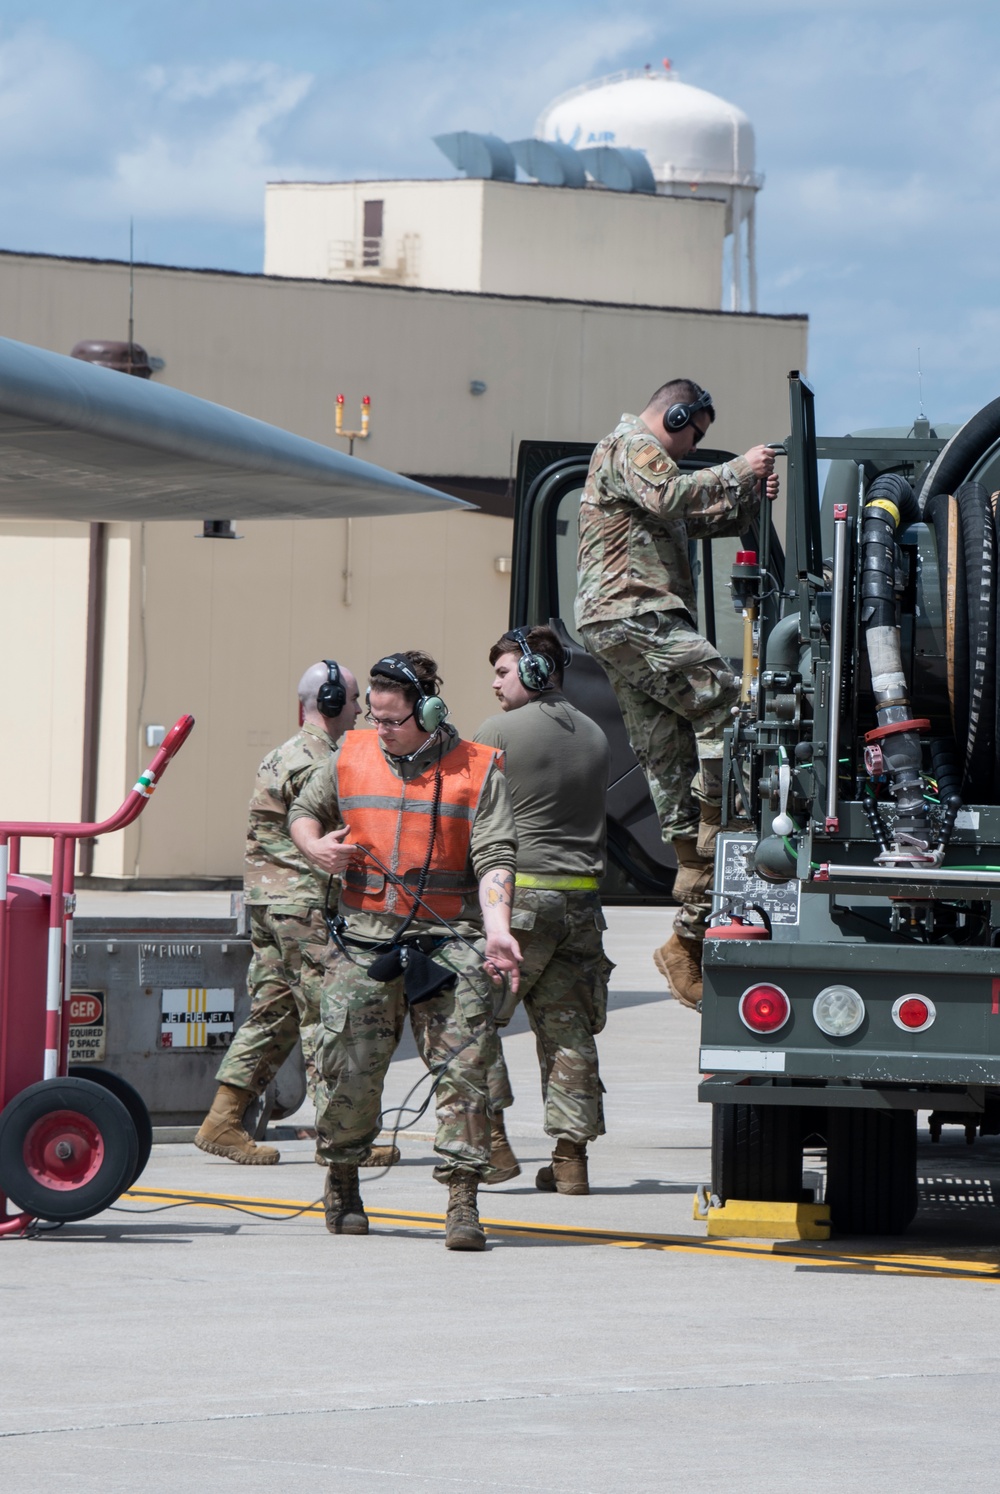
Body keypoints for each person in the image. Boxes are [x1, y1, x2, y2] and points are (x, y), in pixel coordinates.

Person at [288, 650, 521, 1252]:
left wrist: (498, 927)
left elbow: (495, 856)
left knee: (467, 1070)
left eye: (394, 720)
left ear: (430, 710)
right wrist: (315, 848)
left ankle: (463, 1200)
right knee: (347, 1068)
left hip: (449, 940)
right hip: (362, 938)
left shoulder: (478, 767)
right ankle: (342, 1180)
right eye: (376, 717)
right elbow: (304, 814)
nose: (382, 730)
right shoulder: (351, 754)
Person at [575, 378, 778, 1009]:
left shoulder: (648, 468)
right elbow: (674, 493)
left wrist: (746, 494)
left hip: (630, 619)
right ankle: (719, 828)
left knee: (669, 768)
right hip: (632, 611)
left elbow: (692, 513)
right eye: (693, 434)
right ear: (677, 413)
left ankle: (684, 938)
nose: (693, 449)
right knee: (725, 702)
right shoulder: (630, 446)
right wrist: (738, 467)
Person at [195, 659, 367, 1165]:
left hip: (272, 904)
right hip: (305, 905)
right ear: (333, 703)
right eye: (355, 701)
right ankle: (341, 1139)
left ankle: (222, 1121)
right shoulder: (320, 764)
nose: (359, 710)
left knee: (274, 1014)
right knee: (325, 1016)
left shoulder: (284, 753)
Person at [474, 625, 613, 1196]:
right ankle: (570, 1162)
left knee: (470, 1022)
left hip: (519, 903)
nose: (494, 683)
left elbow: (472, 818)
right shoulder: (598, 736)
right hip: (580, 906)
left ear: (537, 672)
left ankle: (495, 1145)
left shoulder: (497, 733)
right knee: (569, 1034)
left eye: (504, 672)